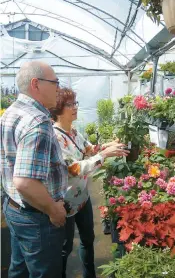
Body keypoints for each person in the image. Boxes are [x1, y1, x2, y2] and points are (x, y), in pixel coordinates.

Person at [50, 88, 129, 278]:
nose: (75, 107)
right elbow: (73, 169)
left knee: (88, 239)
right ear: (58, 108)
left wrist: (107, 146)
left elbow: (88, 149)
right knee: (65, 248)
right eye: (70, 104)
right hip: (66, 203)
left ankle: (89, 274)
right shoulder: (55, 137)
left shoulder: (74, 132)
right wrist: (103, 155)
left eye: (75, 103)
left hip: (82, 199)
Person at [0, 61, 68, 278]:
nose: (58, 87)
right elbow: (25, 182)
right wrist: (53, 209)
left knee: (18, 269)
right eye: (55, 82)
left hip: (14, 209)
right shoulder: (37, 121)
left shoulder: (11, 112)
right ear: (35, 84)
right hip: (36, 218)